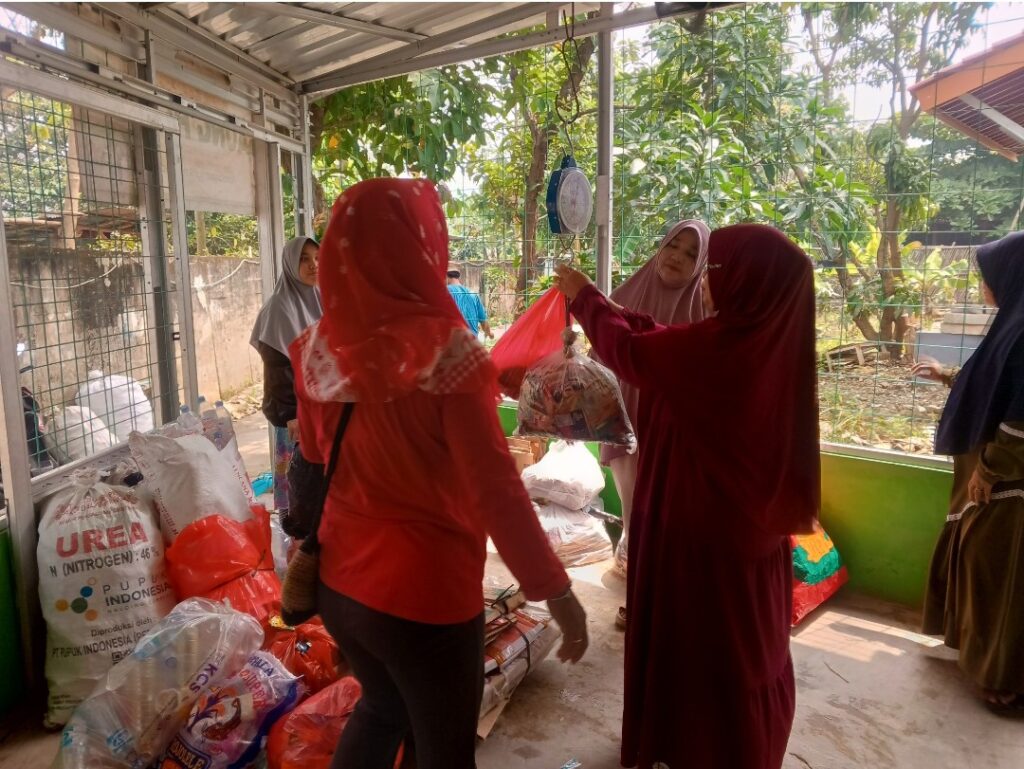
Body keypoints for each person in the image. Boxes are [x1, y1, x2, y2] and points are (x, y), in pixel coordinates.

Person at [290, 178, 588, 769]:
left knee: (380, 712)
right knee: (445, 750)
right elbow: (496, 490)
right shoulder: (451, 354)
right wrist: (555, 589)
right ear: (424, 246)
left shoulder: (315, 348)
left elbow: (316, 459)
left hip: (340, 585)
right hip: (424, 599)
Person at [554, 223, 819, 769]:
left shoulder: (721, 348)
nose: (705, 279)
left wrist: (583, 298)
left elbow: (631, 353)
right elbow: (655, 338)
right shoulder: (766, 342)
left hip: (700, 532)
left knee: (701, 649)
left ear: (750, 281)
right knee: (741, 651)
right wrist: (607, 306)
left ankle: (703, 748)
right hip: (745, 532)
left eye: (715, 268)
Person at [918, 230, 1024, 714]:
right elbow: (996, 382)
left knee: (997, 574)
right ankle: (985, 660)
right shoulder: (1013, 322)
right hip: (991, 471)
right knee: (983, 562)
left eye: (987, 274)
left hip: (1007, 480)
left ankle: (1005, 678)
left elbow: (1021, 414)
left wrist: (992, 468)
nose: (983, 283)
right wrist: (946, 375)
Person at [600, 219, 710, 630]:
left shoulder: (704, 307)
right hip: (627, 421)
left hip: (676, 432)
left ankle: (671, 603)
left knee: (670, 520)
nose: (676, 258)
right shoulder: (633, 290)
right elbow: (604, 344)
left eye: (690, 254)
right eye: (672, 245)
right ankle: (637, 600)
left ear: (701, 265)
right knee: (635, 517)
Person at [250, 236, 321, 513]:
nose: (313, 265)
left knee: (317, 479)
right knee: (296, 479)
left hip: (320, 405)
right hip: (294, 411)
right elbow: (277, 366)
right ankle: (295, 538)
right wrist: (291, 414)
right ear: (291, 264)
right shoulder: (280, 307)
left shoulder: (320, 297)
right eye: (304, 259)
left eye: (316, 257)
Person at [447, 269, 493, 338]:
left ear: (446, 276)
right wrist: (489, 333)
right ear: (458, 277)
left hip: (451, 339)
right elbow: (483, 320)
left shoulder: (444, 292)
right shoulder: (473, 294)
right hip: (471, 342)